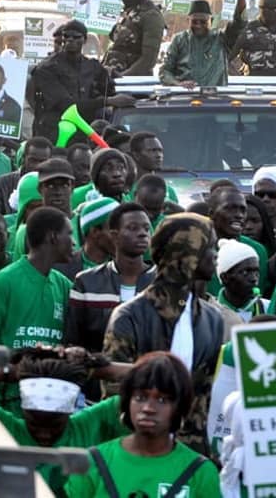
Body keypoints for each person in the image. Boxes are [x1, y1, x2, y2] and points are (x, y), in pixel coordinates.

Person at [103, 214, 225, 455]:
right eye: (209, 247)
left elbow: (207, 398)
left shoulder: (213, 319)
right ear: (187, 254)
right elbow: (114, 399)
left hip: (191, 458)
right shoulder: (129, 317)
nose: (215, 255)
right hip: (139, 453)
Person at [64, 352, 220, 497]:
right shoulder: (92, 462)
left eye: (162, 400)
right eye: (140, 398)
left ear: (179, 407)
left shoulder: (200, 472)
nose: (148, 408)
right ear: (126, 402)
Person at [0, 352, 128, 497]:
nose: (44, 434)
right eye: (34, 423)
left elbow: (149, 378)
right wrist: (14, 371)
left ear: (69, 412)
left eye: (55, 425)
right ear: (23, 411)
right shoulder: (6, 428)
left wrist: (92, 368)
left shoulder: (90, 426)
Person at [0, 206, 75, 350]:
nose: (74, 242)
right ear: (52, 237)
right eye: (69, 234)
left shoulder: (64, 286)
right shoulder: (3, 282)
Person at [66, 202, 156, 353]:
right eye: (133, 228)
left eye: (146, 228)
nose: (143, 233)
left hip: (151, 374)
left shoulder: (162, 280)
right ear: (114, 235)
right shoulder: (86, 282)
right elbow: (73, 342)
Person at [29, 19, 131, 143]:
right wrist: (108, 101)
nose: (70, 40)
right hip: (54, 133)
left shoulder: (92, 67)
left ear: (84, 40)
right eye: (66, 36)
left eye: (76, 37)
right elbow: (67, 106)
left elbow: (110, 88)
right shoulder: (47, 68)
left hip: (85, 134)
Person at [160, 0, 248, 88]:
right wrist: (178, 84)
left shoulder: (221, 40)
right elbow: (164, 72)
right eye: (194, 21)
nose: (198, 25)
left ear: (211, 21)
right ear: (187, 21)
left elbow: (239, 24)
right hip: (185, 99)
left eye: (203, 21)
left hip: (215, 101)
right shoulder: (179, 41)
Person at [102, 0, 166, 78]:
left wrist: (122, 77)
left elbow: (148, 60)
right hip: (113, 76)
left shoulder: (151, 16)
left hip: (132, 83)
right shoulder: (129, 13)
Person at [205, 187, 268, 296]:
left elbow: (257, 295)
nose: (239, 215)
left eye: (243, 210)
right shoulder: (199, 249)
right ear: (211, 214)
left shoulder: (257, 250)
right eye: (230, 209)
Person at [0, 137, 52, 215]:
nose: (37, 166)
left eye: (43, 161)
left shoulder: (56, 188)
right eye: (33, 160)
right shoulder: (0, 184)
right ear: (24, 158)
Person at [214, 238, 267, 323]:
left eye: (256, 271)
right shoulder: (211, 314)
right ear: (225, 278)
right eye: (245, 272)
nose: (254, 278)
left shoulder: (267, 308)